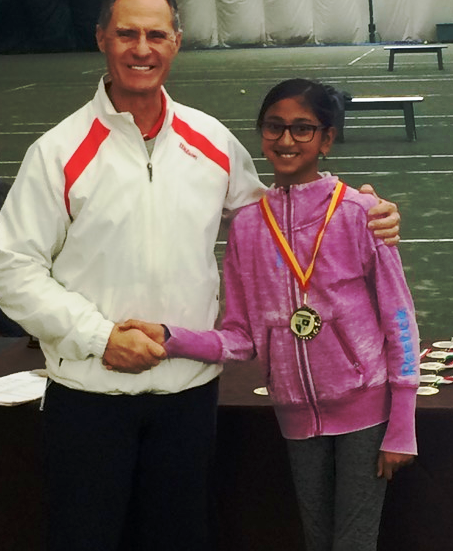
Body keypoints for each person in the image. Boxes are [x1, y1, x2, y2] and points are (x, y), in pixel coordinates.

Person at [0, 0, 401, 551]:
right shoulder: (57, 152)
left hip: (187, 398)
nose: (142, 49)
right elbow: (12, 267)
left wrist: (364, 210)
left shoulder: (210, 139)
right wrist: (98, 336)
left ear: (177, 42)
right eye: (127, 34)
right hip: (89, 394)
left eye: (156, 35)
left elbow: (276, 220)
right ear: (101, 38)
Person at [126, 79, 420, 551]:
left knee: (354, 542)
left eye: (303, 129)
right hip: (295, 414)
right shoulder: (247, 226)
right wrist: (170, 337)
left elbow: (399, 318)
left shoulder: (360, 213)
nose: (286, 140)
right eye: (274, 127)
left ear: (327, 139)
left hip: (366, 408)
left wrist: (402, 423)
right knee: (317, 539)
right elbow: (241, 337)